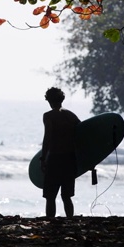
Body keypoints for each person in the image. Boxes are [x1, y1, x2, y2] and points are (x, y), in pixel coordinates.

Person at [41, 87, 81, 218]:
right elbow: (83, 134)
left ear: (49, 100)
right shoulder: (71, 116)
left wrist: (43, 158)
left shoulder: (48, 116)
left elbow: (47, 138)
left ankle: (50, 221)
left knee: (50, 195)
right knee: (66, 196)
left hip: (55, 159)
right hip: (70, 159)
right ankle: (70, 220)